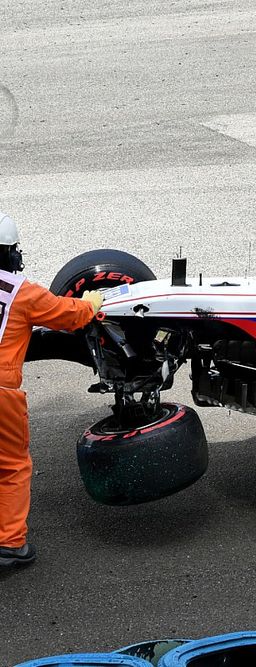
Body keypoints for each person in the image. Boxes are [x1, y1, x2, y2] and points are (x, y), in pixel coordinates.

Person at [0, 212, 103, 568]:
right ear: (10, 253)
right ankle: (10, 544)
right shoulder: (21, 292)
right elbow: (67, 315)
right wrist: (91, 303)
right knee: (12, 466)